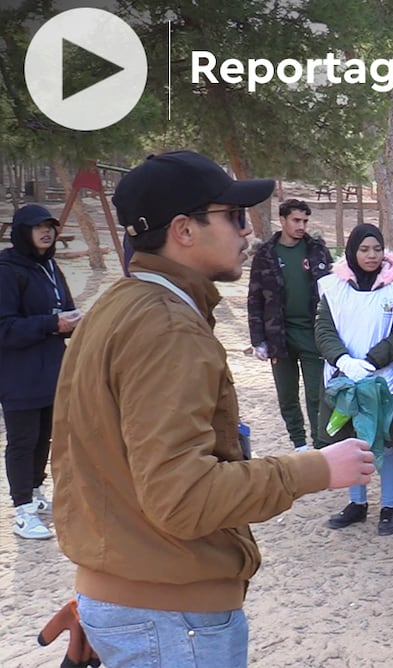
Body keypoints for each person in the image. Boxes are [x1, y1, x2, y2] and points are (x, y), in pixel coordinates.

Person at [51, 150, 375, 666]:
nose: (247, 232)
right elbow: (182, 497)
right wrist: (311, 470)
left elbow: (94, 459)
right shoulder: (166, 326)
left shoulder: (118, 306)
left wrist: (108, 602)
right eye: (234, 216)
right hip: (171, 620)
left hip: (139, 603)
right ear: (183, 229)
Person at [314, 223, 393, 536]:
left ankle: (389, 506)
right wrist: (344, 360)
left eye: (376, 248)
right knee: (351, 441)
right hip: (344, 380)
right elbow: (323, 330)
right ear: (352, 251)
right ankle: (357, 503)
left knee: (387, 444)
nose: (371, 255)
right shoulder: (332, 287)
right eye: (364, 249)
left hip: (384, 381)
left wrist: (373, 361)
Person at [0, 204, 78, 540]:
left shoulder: (48, 266)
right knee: (22, 440)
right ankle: (22, 511)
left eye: (50, 227)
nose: (46, 232)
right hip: (18, 372)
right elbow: (4, 328)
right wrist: (51, 324)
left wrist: (74, 322)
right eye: (37, 227)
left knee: (45, 435)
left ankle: (35, 492)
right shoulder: (6, 270)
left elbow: (66, 307)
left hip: (51, 369)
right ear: (21, 232)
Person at [247, 198, 333, 452]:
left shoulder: (317, 250)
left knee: (317, 394)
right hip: (278, 336)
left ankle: (320, 444)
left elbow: (334, 291)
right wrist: (257, 340)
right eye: (296, 220)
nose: (301, 225)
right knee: (287, 395)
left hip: (312, 333)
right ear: (282, 220)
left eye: (305, 220)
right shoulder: (265, 254)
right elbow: (254, 298)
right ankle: (299, 442)